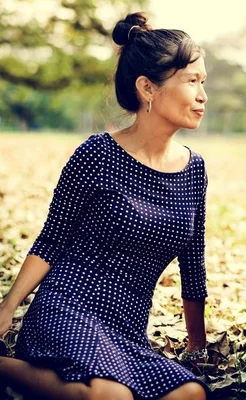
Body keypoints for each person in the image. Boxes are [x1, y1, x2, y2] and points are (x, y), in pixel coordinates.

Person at [0, 12, 209, 400]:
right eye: (191, 81)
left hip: (127, 326)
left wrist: (197, 349)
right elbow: (52, 239)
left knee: (191, 394)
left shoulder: (194, 169)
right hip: (69, 305)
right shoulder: (97, 153)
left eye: (203, 82)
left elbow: (192, 267)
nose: (202, 95)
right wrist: (8, 306)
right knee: (110, 396)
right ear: (148, 87)